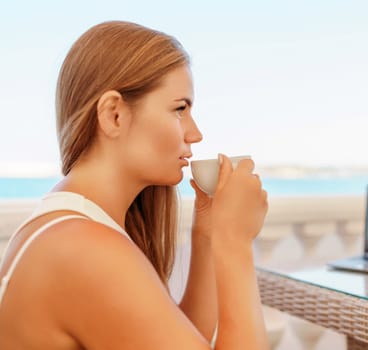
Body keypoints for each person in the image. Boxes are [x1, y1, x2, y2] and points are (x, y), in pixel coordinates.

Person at [0, 21, 269, 349]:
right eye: (179, 109)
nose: (195, 133)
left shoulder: (72, 225)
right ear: (114, 114)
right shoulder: (84, 249)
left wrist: (208, 233)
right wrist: (235, 242)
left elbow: (175, 338)